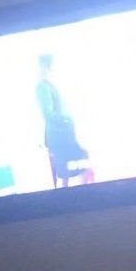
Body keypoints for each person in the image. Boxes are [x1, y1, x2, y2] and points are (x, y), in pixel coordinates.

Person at [35, 54, 94, 188]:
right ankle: (81, 193)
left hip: (62, 135)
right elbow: (48, 115)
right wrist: (67, 119)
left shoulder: (49, 85)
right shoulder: (43, 87)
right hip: (58, 137)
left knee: (68, 171)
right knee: (83, 163)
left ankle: (74, 194)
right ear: (46, 66)